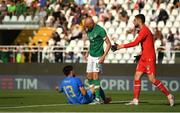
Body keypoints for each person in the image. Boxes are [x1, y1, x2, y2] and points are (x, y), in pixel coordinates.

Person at [111, 14, 174, 106]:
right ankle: (135, 100)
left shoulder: (144, 30)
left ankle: (169, 95)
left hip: (149, 58)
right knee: (137, 77)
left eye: (135, 20)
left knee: (152, 79)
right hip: (143, 57)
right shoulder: (142, 30)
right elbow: (146, 44)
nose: (133, 22)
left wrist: (120, 46)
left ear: (139, 21)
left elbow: (135, 43)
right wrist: (141, 53)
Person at [84, 16, 111, 104]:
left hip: (98, 56)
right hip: (91, 56)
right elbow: (92, 42)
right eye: (85, 26)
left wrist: (103, 56)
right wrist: (87, 52)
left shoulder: (100, 30)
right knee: (89, 77)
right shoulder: (88, 30)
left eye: (87, 26)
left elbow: (109, 44)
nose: (86, 28)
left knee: (96, 76)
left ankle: (97, 98)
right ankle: (103, 98)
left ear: (92, 23)